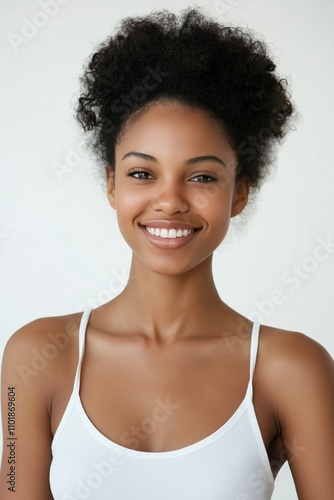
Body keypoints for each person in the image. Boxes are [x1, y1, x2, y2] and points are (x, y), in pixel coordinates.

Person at [0, 7, 333, 500]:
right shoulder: (36, 356)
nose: (171, 201)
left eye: (202, 177)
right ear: (111, 184)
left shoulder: (292, 368)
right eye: (142, 173)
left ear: (239, 192)